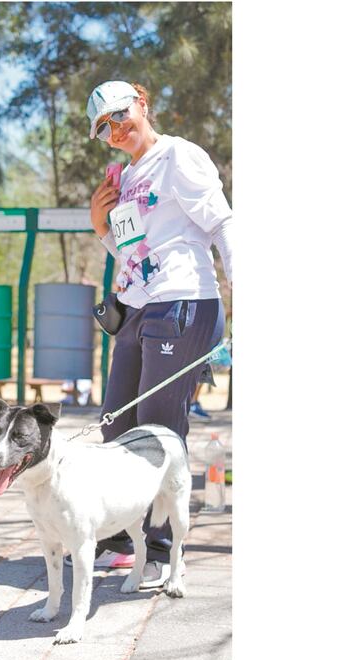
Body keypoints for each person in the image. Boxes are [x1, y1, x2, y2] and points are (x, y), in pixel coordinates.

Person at [81, 80, 233, 586]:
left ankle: (165, 550)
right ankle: (123, 540)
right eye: (103, 127)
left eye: (120, 115)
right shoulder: (121, 177)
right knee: (115, 425)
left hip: (183, 301)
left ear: (143, 104)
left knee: (157, 428)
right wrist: (101, 226)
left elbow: (222, 224)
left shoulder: (178, 157)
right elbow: (133, 254)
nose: (115, 128)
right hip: (138, 308)